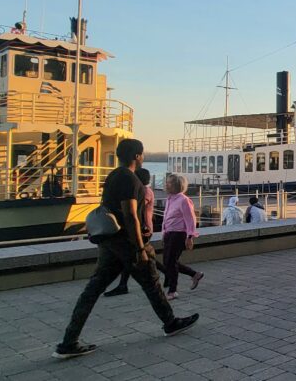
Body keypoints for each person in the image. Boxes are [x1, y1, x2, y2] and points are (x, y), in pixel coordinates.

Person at [53, 139, 198, 359]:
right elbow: (130, 215)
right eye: (142, 154)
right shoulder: (129, 179)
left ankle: (68, 341)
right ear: (137, 156)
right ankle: (170, 322)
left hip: (110, 242)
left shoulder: (113, 176)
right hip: (127, 242)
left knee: (93, 289)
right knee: (151, 282)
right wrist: (140, 246)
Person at [103, 168, 166, 297]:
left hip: (143, 228)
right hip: (140, 227)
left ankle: (168, 275)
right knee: (139, 257)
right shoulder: (141, 190)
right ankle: (124, 284)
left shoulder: (145, 191)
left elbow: (135, 210)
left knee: (140, 257)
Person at [161, 174, 202, 301]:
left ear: (178, 186)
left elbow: (190, 219)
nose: (167, 185)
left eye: (170, 183)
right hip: (169, 233)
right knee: (168, 261)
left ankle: (173, 290)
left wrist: (190, 236)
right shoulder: (170, 199)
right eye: (167, 182)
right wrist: (164, 233)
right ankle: (194, 274)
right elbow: (167, 218)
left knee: (170, 262)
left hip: (179, 234)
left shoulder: (183, 200)